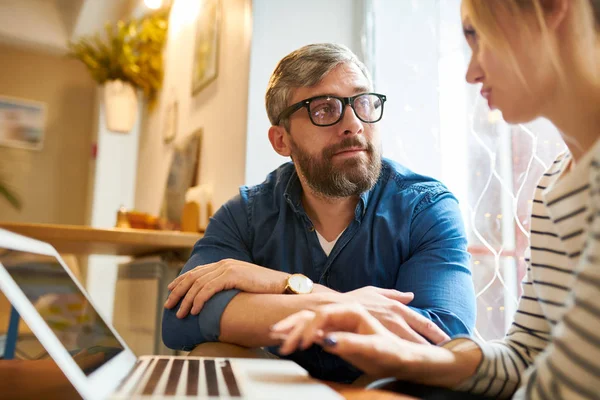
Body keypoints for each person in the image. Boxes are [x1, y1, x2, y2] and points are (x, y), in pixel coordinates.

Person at [271, 0, 600, 397]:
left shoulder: (425, 203)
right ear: (281, 139)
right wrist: (404, 358)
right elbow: (527, 356)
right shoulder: (552, 185)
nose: (470, 71)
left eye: (477, 36)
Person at [162, 43, 476, 383]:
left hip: (379, 388)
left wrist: (283, 285)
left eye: (363, 102)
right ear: (281, 140)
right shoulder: (246, 215)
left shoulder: (425, 208)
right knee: (209, 357)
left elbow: (444, 339)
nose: (353, 124)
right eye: (324, 109)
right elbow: (182, 319)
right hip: (285, 389)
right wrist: (349, 308)